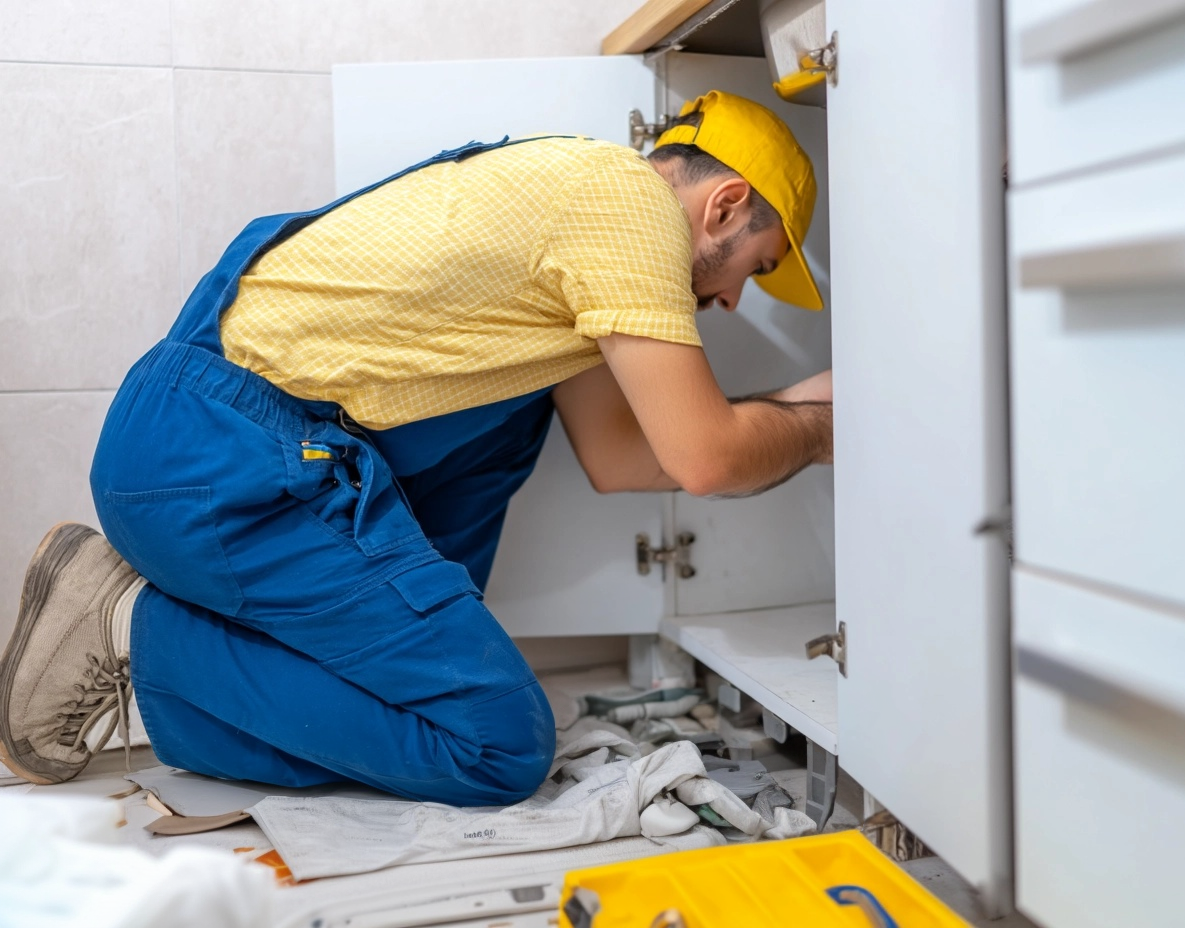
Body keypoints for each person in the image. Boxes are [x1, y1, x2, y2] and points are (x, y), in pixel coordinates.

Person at [0, 91, 833, 803]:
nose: (728, 302)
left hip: (204, 444)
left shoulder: (577, 213)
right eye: (752, 270)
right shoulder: (630, 212)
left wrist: (790, 410)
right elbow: (707, 458)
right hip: (223, 461)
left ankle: (164, 637)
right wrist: (826, 427)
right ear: (723, 206)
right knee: (496, 747)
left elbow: (629, 459)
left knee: (514, 416)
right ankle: (129, 626)